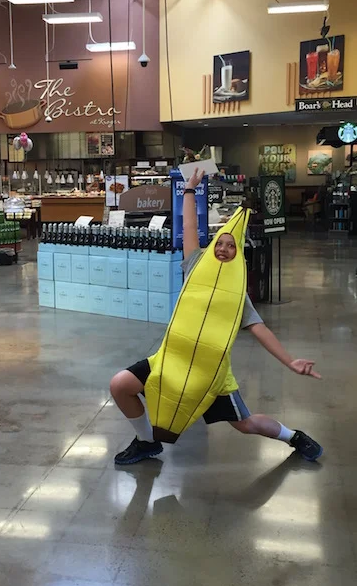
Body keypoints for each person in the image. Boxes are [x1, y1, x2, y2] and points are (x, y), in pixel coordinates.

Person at [112, 168, 323, 466]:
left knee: (245, 424)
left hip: (211, 374)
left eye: (231, 246)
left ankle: (294, 437)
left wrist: (290, 362)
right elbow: (188, 226)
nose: (223, 249)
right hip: (170, 360)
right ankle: (146, 442)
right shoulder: (195, 263)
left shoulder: (237, 295)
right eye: (220, 243)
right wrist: (189, 190)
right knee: (120, 385)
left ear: (238, 253)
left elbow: (259, 329)